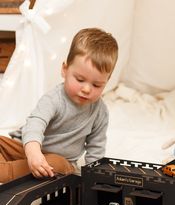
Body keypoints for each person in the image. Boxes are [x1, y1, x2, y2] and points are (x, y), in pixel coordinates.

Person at [0, 28, 118, 183]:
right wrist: (34, 153)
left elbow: (96, 150)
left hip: (59, 161)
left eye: (97, 85)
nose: (87, 89)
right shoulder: (54, 99)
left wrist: (94, 179)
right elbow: (35, 124)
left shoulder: (100, 112)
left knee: (58, 165)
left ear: (106, 82)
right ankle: (17, 166)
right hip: (27, 148)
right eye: (80, 80)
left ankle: (7, 171)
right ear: (65, 69)